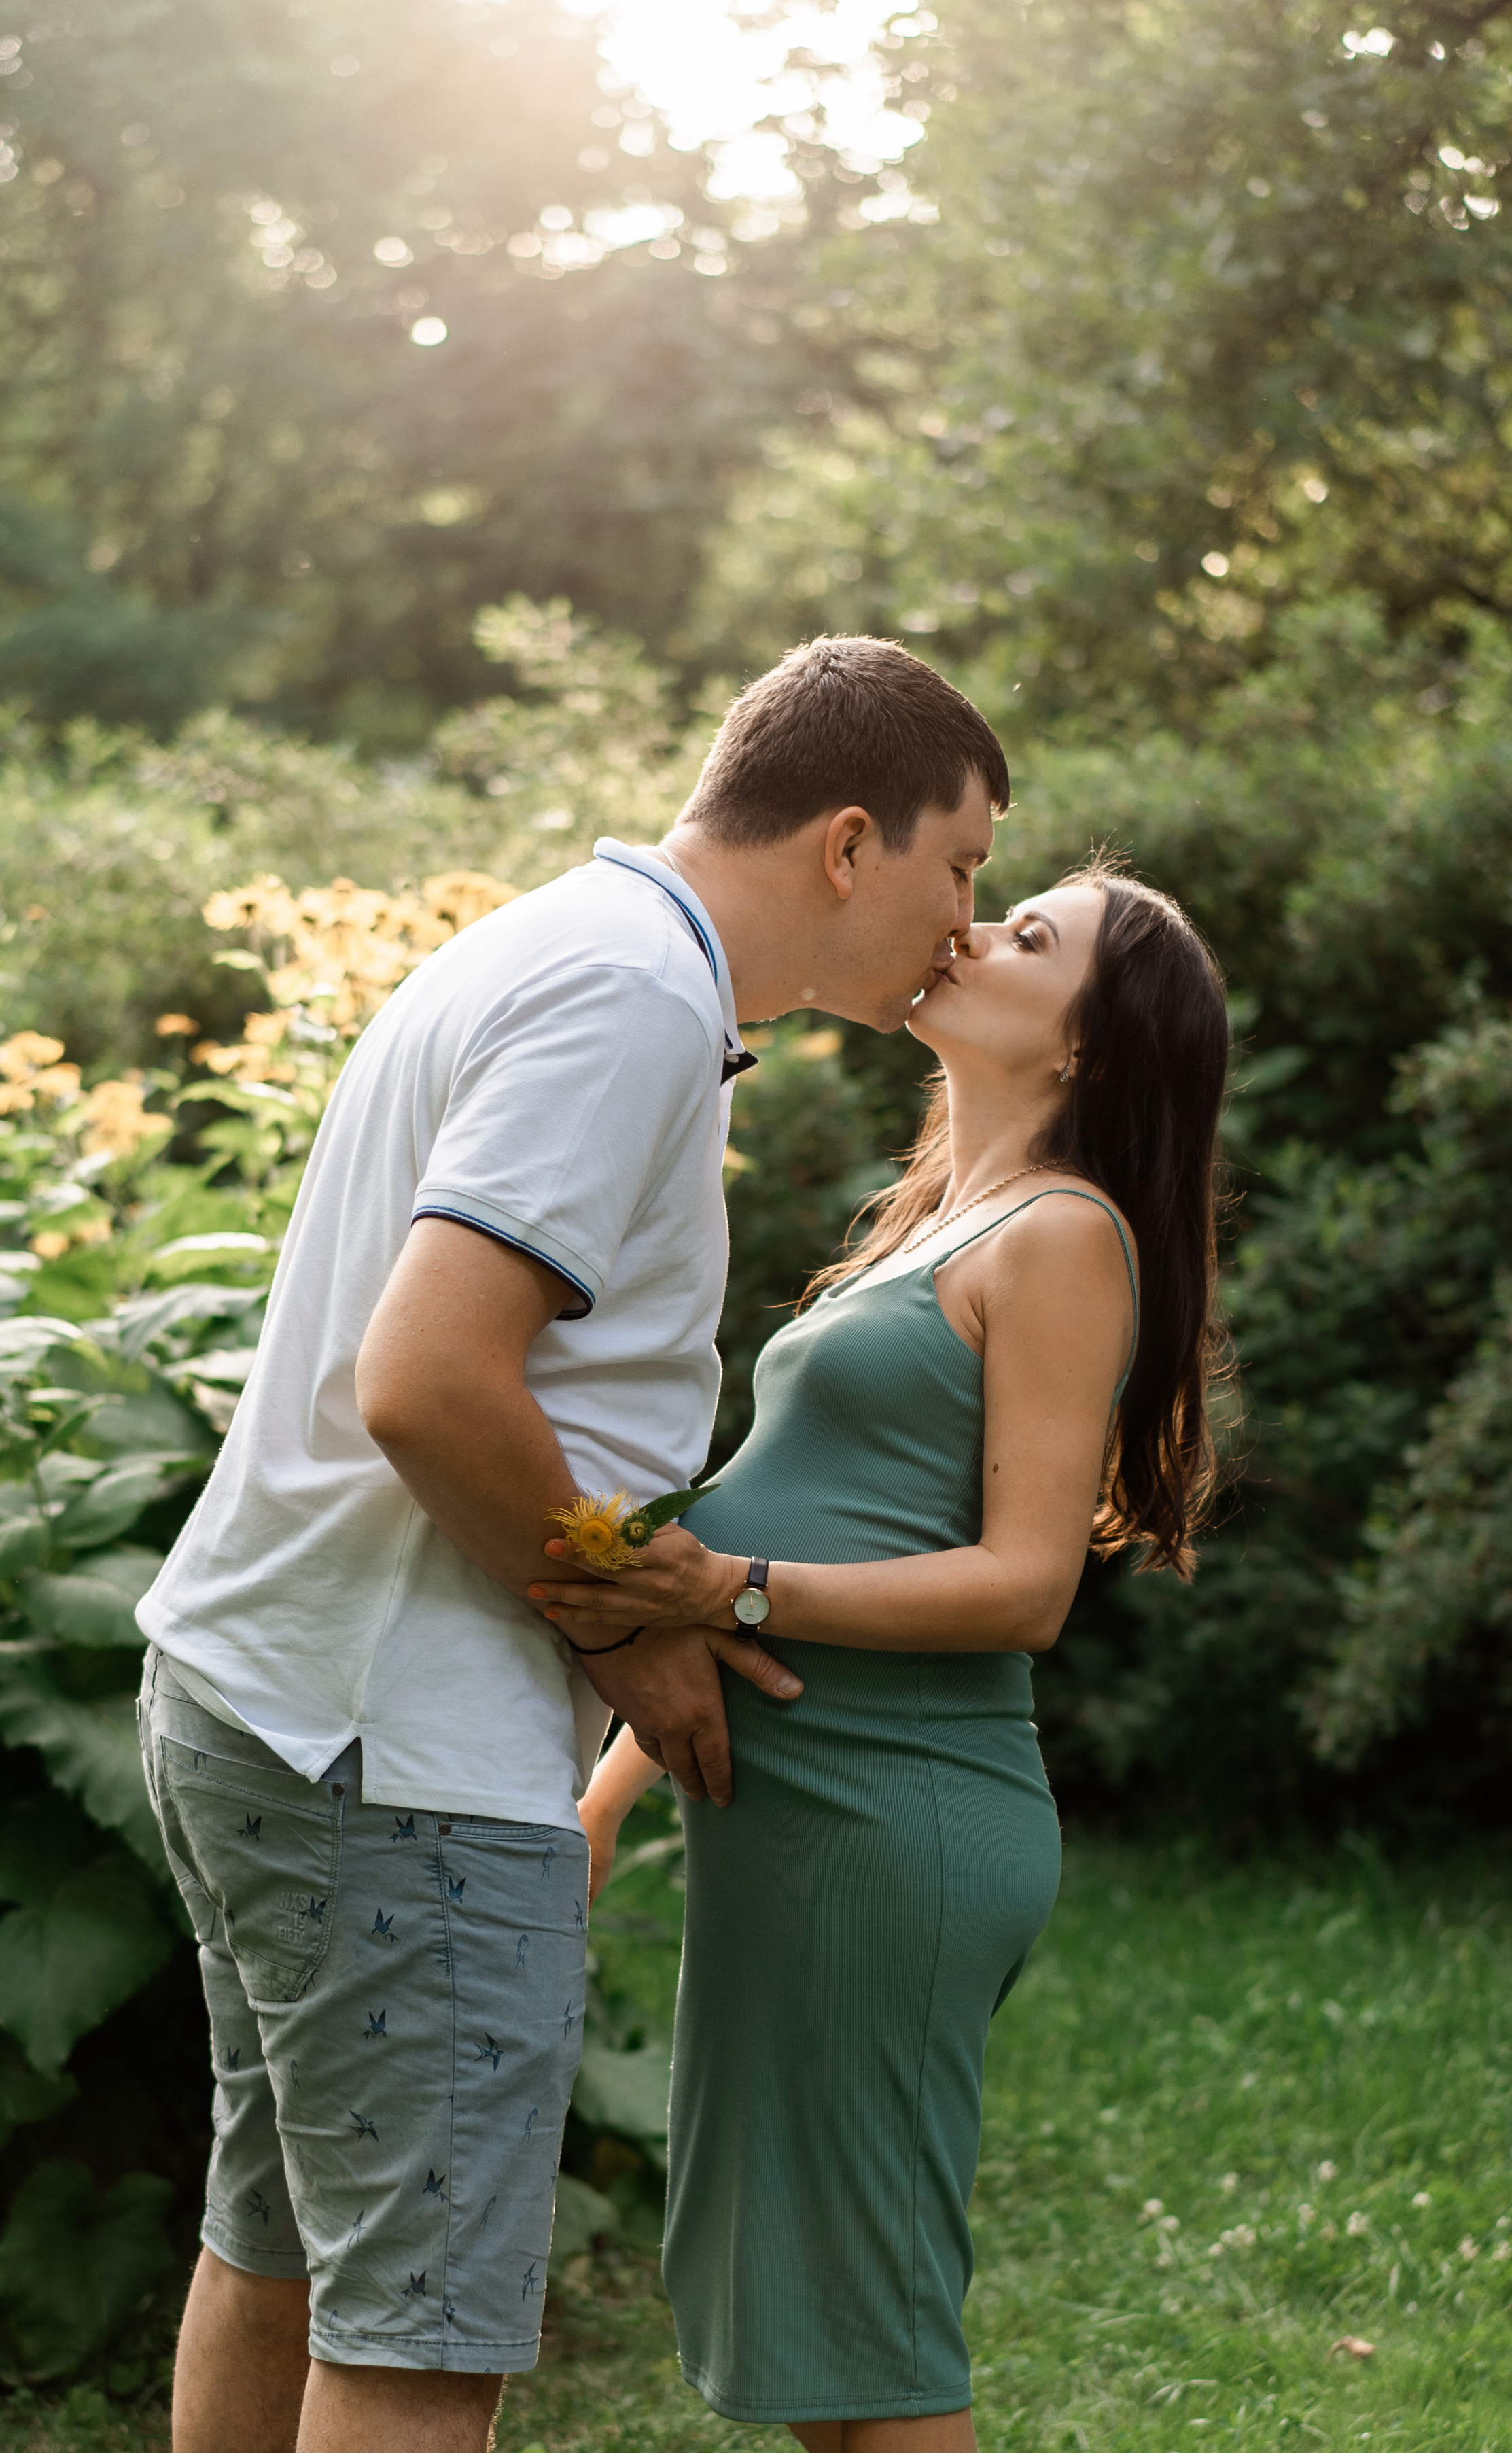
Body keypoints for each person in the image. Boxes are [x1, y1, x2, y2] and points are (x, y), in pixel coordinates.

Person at [132, 636, 1010, 2453]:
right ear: (851, 841)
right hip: (394, 1752)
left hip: (265, 1694)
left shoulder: (568, 945)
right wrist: (620, 1627)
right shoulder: (630, 999)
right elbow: (429, 1377)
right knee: (413, 2344)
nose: (965, 916)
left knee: (281, 2253)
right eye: (964, 864)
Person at [556, 860, 1231, 2451]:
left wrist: (731, 1590)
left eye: (1031, 935)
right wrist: (604, 1804)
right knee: (810, 2312)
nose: (976, 930)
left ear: (1084, 1045)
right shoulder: (934, 1218)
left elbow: (1020, 1588)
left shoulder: (1065, 1236)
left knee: (871, 2325)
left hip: (895, 1820)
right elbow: (799, 1515)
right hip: (794, 1826)